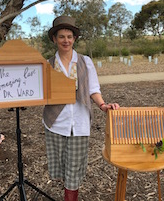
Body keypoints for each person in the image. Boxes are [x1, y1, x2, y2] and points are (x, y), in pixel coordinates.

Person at [43, 16, 120, 201]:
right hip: (56, 123)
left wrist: (103, 105)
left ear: (74, 38)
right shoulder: (47, 65)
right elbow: (40, 92)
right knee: (61, 168)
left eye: (69, 36)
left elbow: (93, 89)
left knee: (74, 171)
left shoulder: (85, 62)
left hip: (80, 123)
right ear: (54, 39)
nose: (66, 40)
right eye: (61, 36)